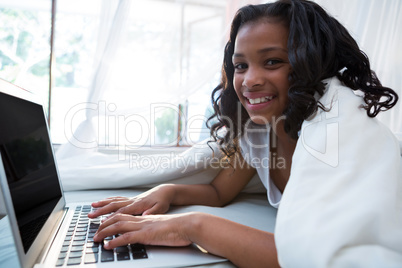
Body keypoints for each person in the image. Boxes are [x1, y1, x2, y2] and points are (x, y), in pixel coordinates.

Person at [88, 0, 402, 267]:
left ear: (312, 63)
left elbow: (314, 257)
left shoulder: (337, 122)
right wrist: (168, 191)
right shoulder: (260, 132)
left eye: (273, 61)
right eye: (241, 65)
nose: (250, 80)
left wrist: (191, 226)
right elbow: (218, 192)